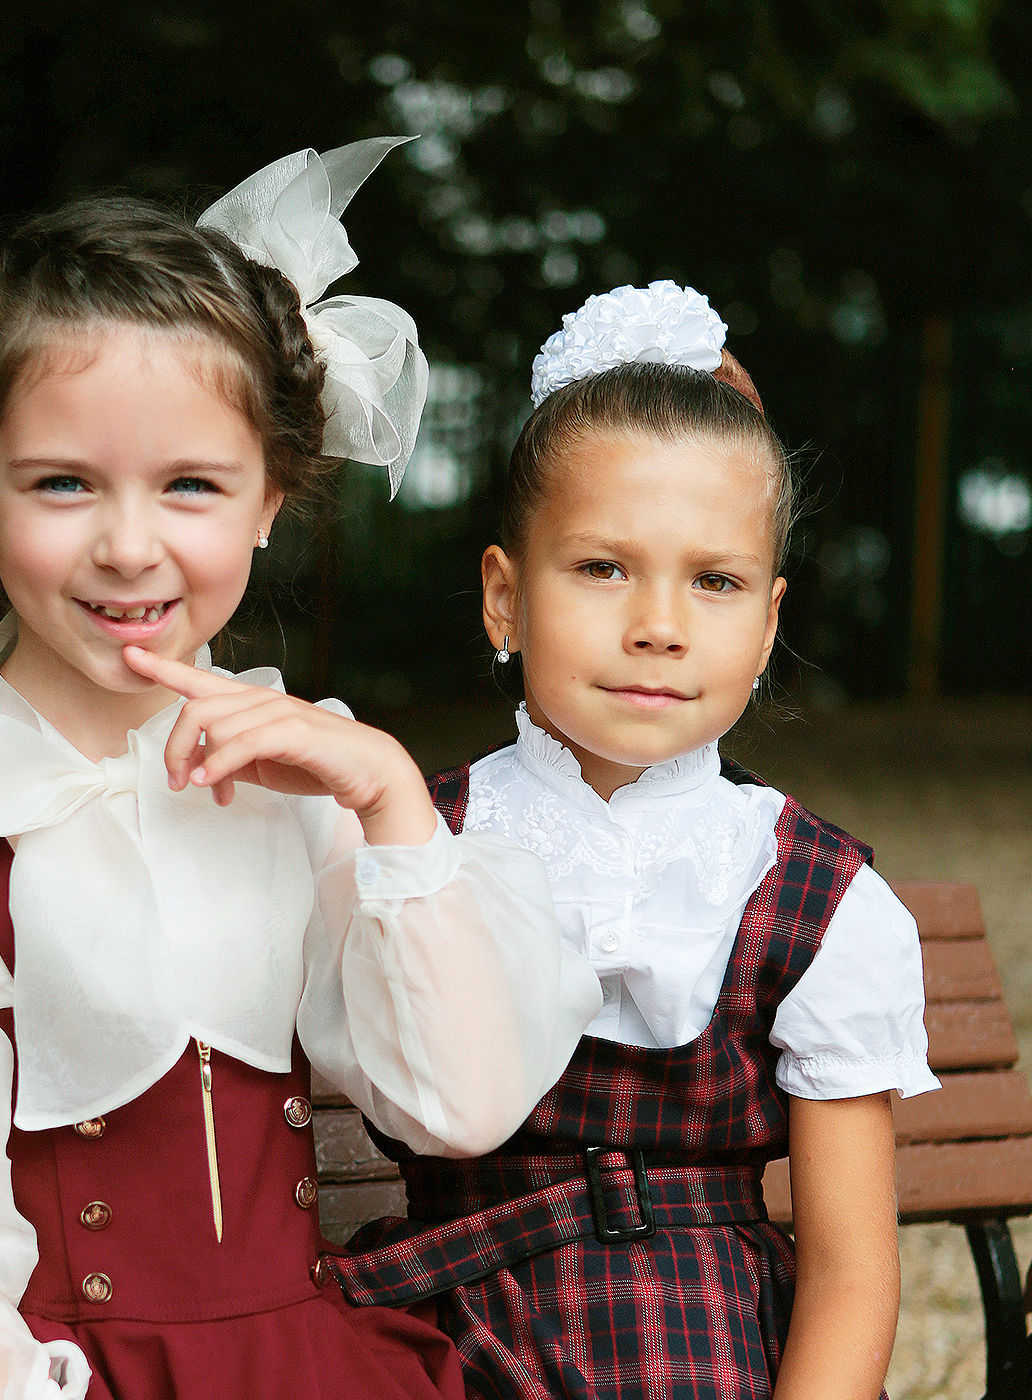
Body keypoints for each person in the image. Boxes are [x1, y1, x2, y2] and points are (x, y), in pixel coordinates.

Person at [0, 138, 603, 1400]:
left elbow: (457, 1102)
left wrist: (389, 801)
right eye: (61, 482)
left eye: (191, 484)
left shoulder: (310, 772)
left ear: (272, 492)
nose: (129, 546)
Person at [323, 281, 939, 1400]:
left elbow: (851, 1268)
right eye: (602, 567)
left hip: (706, 1359)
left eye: (714, 581)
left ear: (765, 627)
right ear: (503, 598)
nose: (656, 622)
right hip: (445, 1350)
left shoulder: (811, 895)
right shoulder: (415, 839)